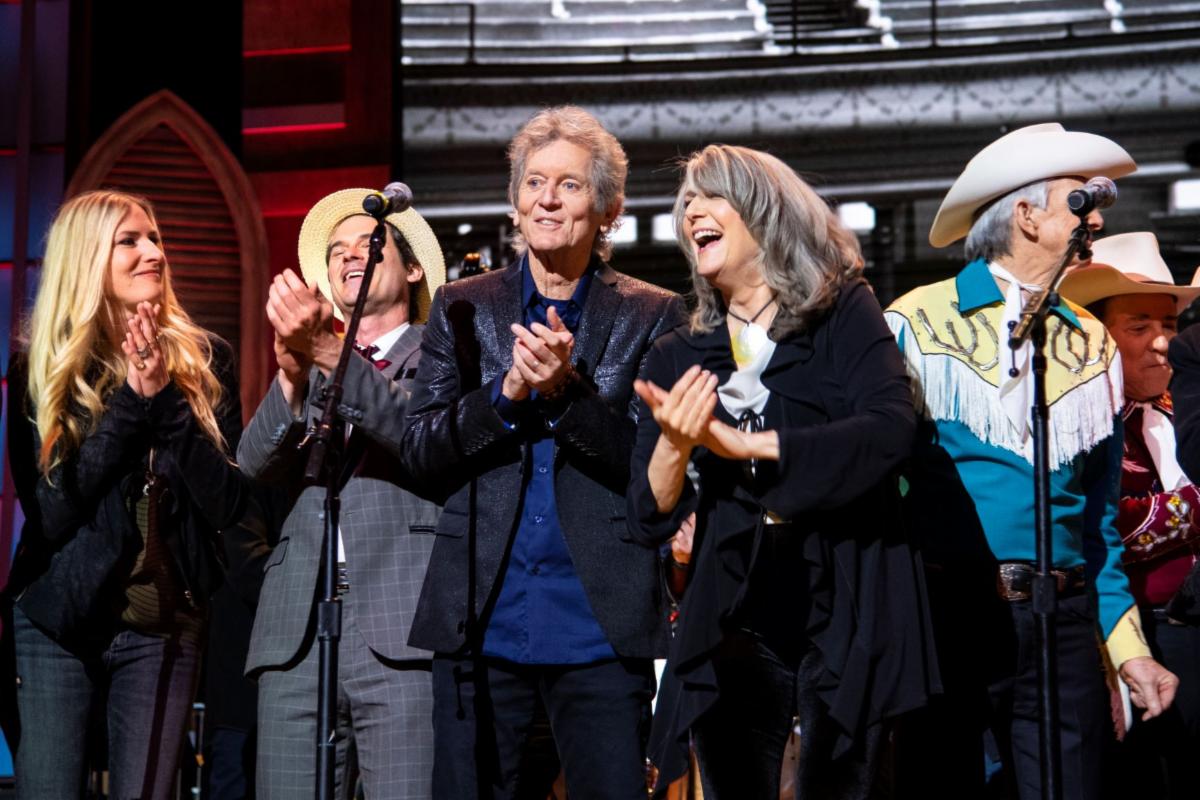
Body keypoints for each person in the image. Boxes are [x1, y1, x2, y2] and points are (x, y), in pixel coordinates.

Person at [627, 144, 939, 798]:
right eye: (687, 202)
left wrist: (749, 445)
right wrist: (676, 444)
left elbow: (891, 428)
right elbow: (649, 511)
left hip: (847, 579)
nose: (692, 212)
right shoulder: (680, 350)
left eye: (713, 196)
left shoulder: (841, 312)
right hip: (736, 595)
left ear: (764, 214)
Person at [400, 105, 686, 799]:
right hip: (479, 615)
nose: (547, 199)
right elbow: (420, 451)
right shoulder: (461, 306)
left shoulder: (654, 313)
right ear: (516, 200)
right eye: (534, 183)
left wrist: (562, 393)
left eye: (569, 185)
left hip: (598, 624)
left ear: (608, 210)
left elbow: (649, 471)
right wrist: (504, 396)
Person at [885, 124, 1178, 799]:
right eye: (1079, 202)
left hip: (1064, 621)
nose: (1096, 219)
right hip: (949, 615)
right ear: (1026, 215)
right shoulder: (915, 321)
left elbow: (1099, 523)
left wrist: (1129, 650)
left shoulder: (1092, 344)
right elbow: (884, 487)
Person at [4, 189, 245, 800]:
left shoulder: (206, 360)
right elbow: (51, 510)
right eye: (129, 241)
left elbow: (226, 503)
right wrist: (132, 405)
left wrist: (165, 399)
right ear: (87, 257)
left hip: (163, 624)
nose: (153, 253)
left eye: (155, 238)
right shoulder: (40, 366)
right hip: (58, 620)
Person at [237, 189, 445, 799]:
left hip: (401, 620)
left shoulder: (445, 352)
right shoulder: (311, 368)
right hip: (298, 622)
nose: (351, 255)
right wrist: (291, 375)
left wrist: (326, 350)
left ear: (413, 270)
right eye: (336, 251)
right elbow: (252, 463)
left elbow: (418, 434)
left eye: (369, 245)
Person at [1059, 232, 1200, 799]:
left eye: (1169, 325)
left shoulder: (1183, 409)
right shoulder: (1073, 424)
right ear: (1096, 333)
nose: (1163, 343)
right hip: (1124, 637)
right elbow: (1102, 530)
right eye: (1139, 327)